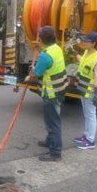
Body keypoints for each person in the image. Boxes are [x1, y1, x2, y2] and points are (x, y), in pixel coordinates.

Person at [25, 26, 67, 162]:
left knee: (52, 122)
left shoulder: (44, 56)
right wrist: (40, 46)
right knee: (52, 119)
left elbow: (35, 74)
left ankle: (55, 153)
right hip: (60, 90)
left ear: (42, 39)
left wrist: (28, 76)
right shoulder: (57, 49)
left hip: (51, 94)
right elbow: (48, 56)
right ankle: (50, 141)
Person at [73, 31, 97, 149]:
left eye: (87, 41)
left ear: (94, 43)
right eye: (84, 40)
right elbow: (84, 62)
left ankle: (90, 141)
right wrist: (76, 54)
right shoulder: (86, 52)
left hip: (90, 91)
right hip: (83, 88)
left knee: (91, 114)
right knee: (87, 114)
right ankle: (86, 136)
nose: (84, 42)